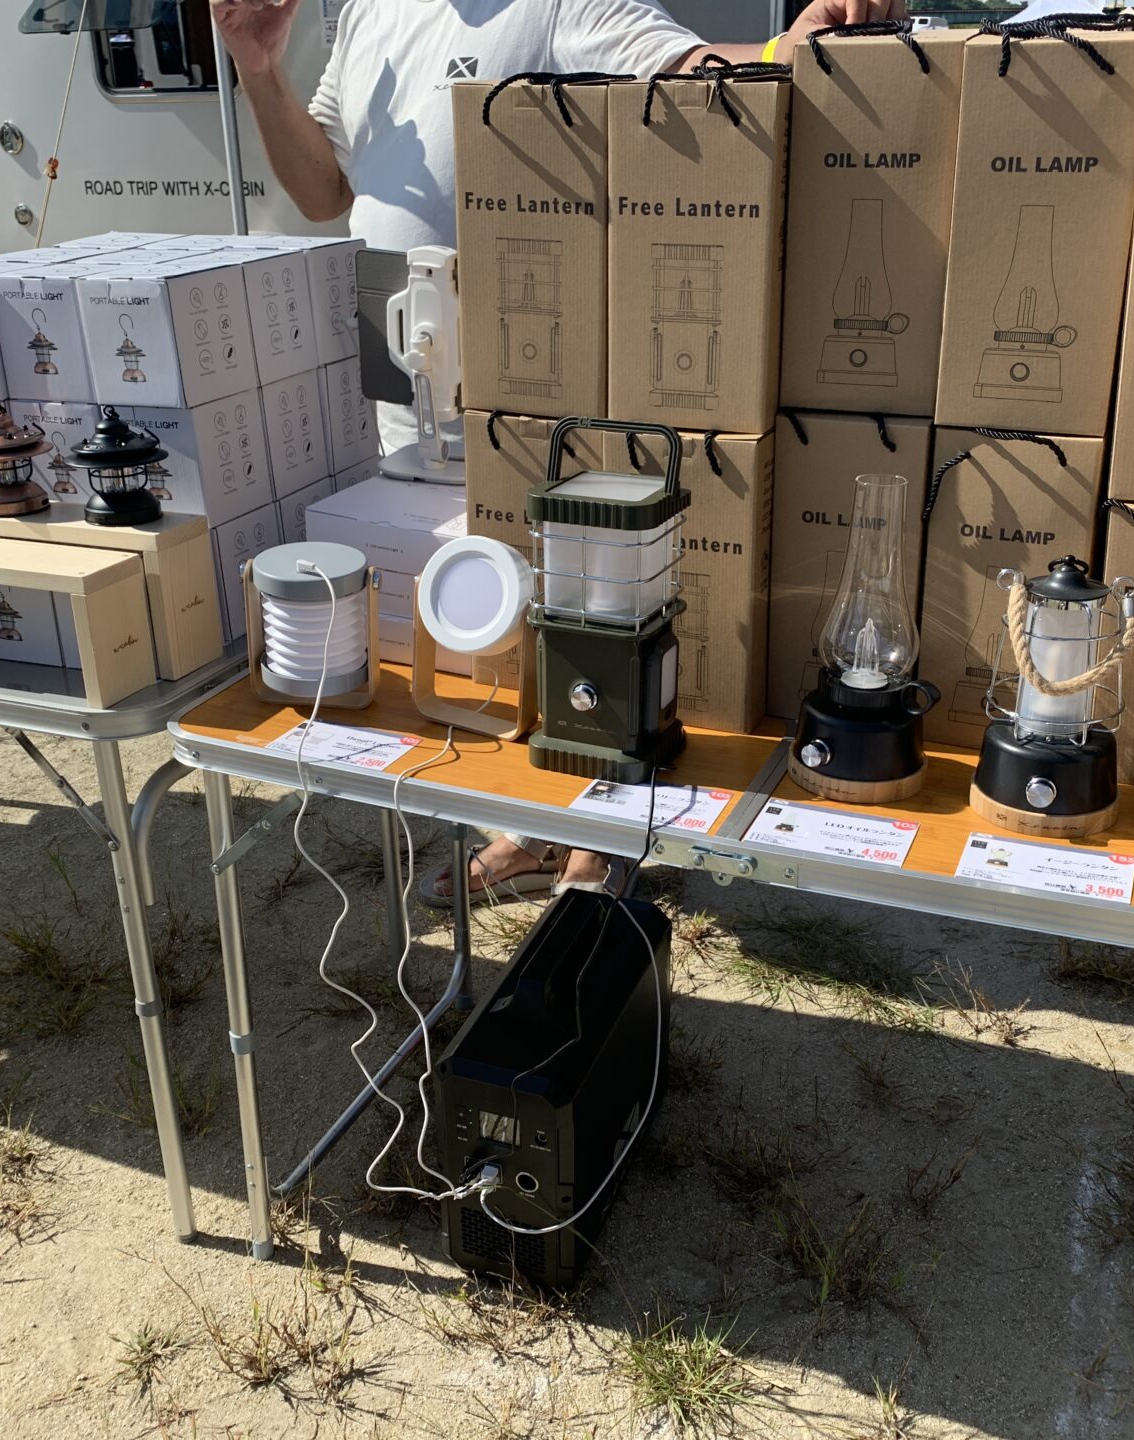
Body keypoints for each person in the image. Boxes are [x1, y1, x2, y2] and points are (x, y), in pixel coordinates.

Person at [213, 0, 904, 905]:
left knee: (576, 611)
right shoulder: (367, 12)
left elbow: (690, 67)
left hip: (528, 391)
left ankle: (595, 843)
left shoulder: (556, 3)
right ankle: (526, 825)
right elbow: (322, 194)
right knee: (468, 628)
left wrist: (790, 45)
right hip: (405, 387)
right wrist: (258, 69)